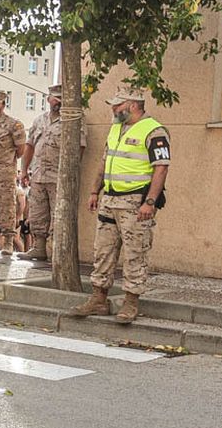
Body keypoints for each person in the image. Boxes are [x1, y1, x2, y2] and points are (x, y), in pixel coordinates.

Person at [69, 87, 171, 324]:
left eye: (117, 105)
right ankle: (98, 299)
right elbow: (105, 161)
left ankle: (131, 303)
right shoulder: (116, 128)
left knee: (135, 252)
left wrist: (150, 202)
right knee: (103, 250)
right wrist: (95, 190)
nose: (113, 109)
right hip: (110, 199)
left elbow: (161, 168)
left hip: (135, 202)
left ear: (133, 105)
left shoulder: (154, 130)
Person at [19, 84, 86, 262]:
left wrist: (71, 173)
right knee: (37, 213)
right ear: (48, 99)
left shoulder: (73, 120)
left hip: (59, 177)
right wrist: (24, 170)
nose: (58, 101)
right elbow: (30, 145)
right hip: (39, 175)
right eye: (55, 97)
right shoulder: (40, 120)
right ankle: (38, 247)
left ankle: (59, 252)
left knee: (59, 215)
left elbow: (80, 148)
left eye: (61, 98)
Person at [0, 90, 28, 256]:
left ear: (3, 105)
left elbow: (21, 149)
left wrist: (6, 160)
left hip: (3, 172)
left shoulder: (14, 124)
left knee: (6, 207)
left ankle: (8, 241)